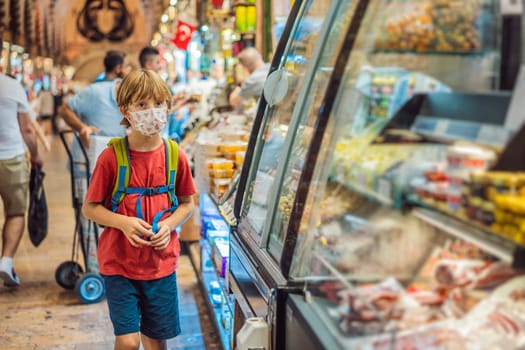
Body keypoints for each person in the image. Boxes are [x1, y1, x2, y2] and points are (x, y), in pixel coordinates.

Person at [82, 69, 196, 350]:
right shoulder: (111, 158)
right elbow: (90, 208)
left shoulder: (174, 155)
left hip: (161, 265)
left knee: (156, 342)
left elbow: (187, 203)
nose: (152, 112)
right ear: (125, 110)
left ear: (168, 105)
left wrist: (169, 226)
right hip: (119, 264)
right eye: (142, 105)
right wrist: (123, 223)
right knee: (129, 342)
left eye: (158, 103)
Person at [0, 56, 44, 287]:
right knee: (15, 212)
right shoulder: (11, 86)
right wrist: (35, 154)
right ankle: (5, 261)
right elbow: (27, 128)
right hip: (11, 158)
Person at [62, 50, 132, 148]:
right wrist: (82, 128)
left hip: (118, 153)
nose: (130, 70)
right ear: (118, 68)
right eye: (127, 66)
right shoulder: (95, 91)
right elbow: (65, 110)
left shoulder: (127, 92)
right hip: (93, 154)